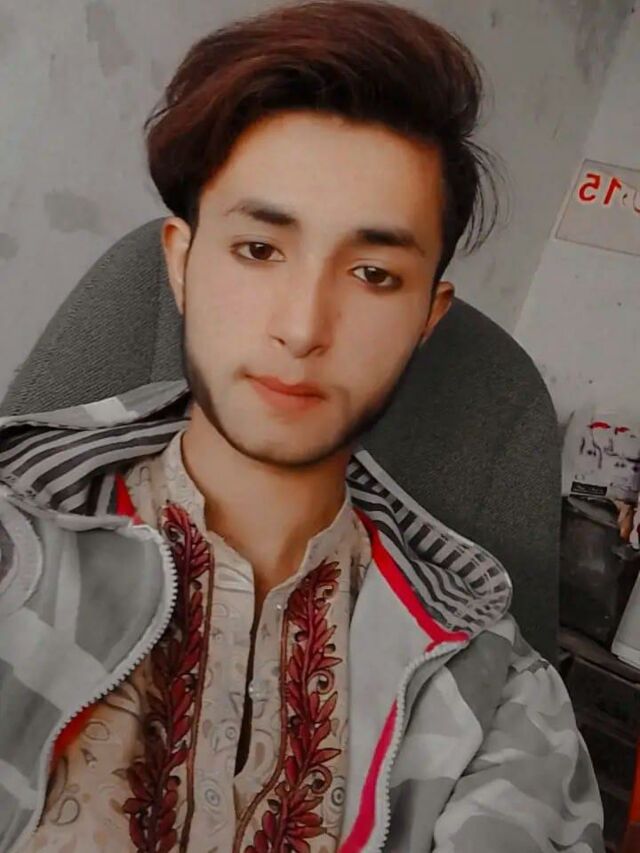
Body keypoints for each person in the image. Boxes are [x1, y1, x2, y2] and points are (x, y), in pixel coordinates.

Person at [0, 1, 604, 851]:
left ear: (427, 318)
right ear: (182, 262)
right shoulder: (14, 546)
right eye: (259, 250)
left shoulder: (493, 688)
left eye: (373, 273)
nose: (303, 326)